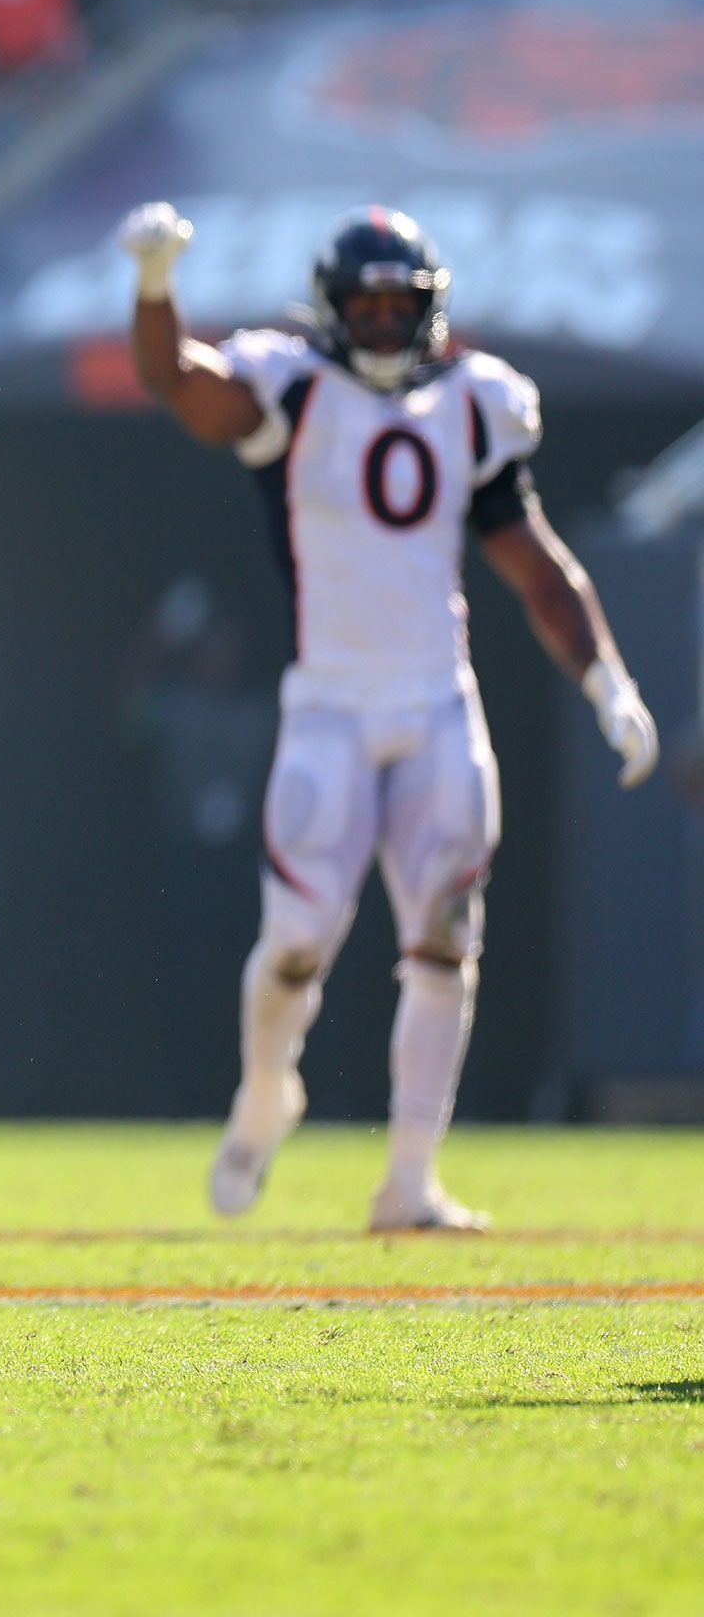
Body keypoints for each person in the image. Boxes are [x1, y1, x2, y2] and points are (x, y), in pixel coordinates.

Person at [124, 200, 658, 1231]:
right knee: (297, 942)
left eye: (395, 304)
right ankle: (267, 1089)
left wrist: (608, 679)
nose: (378, 322)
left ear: (428, 308)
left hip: (436, 706)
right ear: (330, 309)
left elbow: (535, 564)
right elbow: (180, 385)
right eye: (362, 304)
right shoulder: (293, 388)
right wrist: (156, 289)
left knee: (446, 941)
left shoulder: (472, 404)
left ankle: (410, 1177)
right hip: (327, 706)